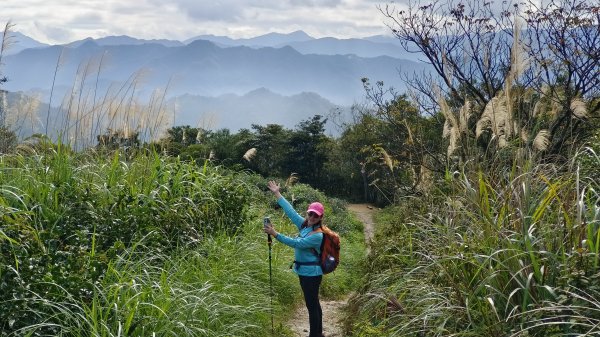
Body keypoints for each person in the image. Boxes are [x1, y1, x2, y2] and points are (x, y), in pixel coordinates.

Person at [263, 180, 326, 337]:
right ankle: (318, 333)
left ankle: (315, 335)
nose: (311, 217)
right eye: (310, 213)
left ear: (320, 218)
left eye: (315, 216)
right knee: (314, 303)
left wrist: (275, 234)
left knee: (311, 305)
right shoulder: (305, 225)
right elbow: (291, 212)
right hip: (306, 271)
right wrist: (277, 193)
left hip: (311, 273)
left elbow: (296, 243)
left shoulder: (318, 235)